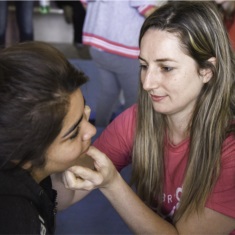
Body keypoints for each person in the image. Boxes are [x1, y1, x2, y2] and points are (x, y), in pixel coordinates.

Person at [58, 1, 235, 234]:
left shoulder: (229, 149)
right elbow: (66, 191)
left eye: (166, 68)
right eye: (143, 65)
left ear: (207, 70)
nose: (148, 83)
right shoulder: (137, 119)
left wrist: (112, 184)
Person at [0, 41, 96, 234]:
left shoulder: (22, 163)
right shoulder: (18, 222)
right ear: (25, 155)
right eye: (74, 132)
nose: (92, 130)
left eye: (84, 112)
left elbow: (60, 197)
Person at [80, 0, 165, 127]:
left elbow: (85, 3)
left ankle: (99, 128)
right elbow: (147, 9)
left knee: (108, 92)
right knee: (134, 98)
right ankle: (127, 136)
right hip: (124, 49)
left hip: (98, 46)